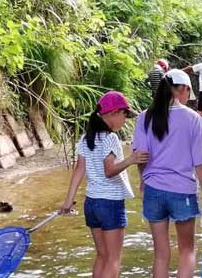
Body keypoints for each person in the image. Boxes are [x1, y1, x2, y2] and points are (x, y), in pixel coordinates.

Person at [132, 69, 202, 277]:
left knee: (160, 254)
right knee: (187, 250)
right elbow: (200, 163)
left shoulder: (144, 117)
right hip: (182, 191)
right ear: (183, 89)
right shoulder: (194, 119)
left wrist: (143, 179)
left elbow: (141, 156)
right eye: (188, 92)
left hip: (153, 190)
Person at [61, 91, 148, 278]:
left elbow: (79, 171)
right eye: (125, 114)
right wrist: (131, 159)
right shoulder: (110, 138)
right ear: (114, 112)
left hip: (91, 203)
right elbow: (109, 171)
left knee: (102, 255)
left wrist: (68, 202)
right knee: (114, 259)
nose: (125, 119)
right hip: (110, 203)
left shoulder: (86, 138)